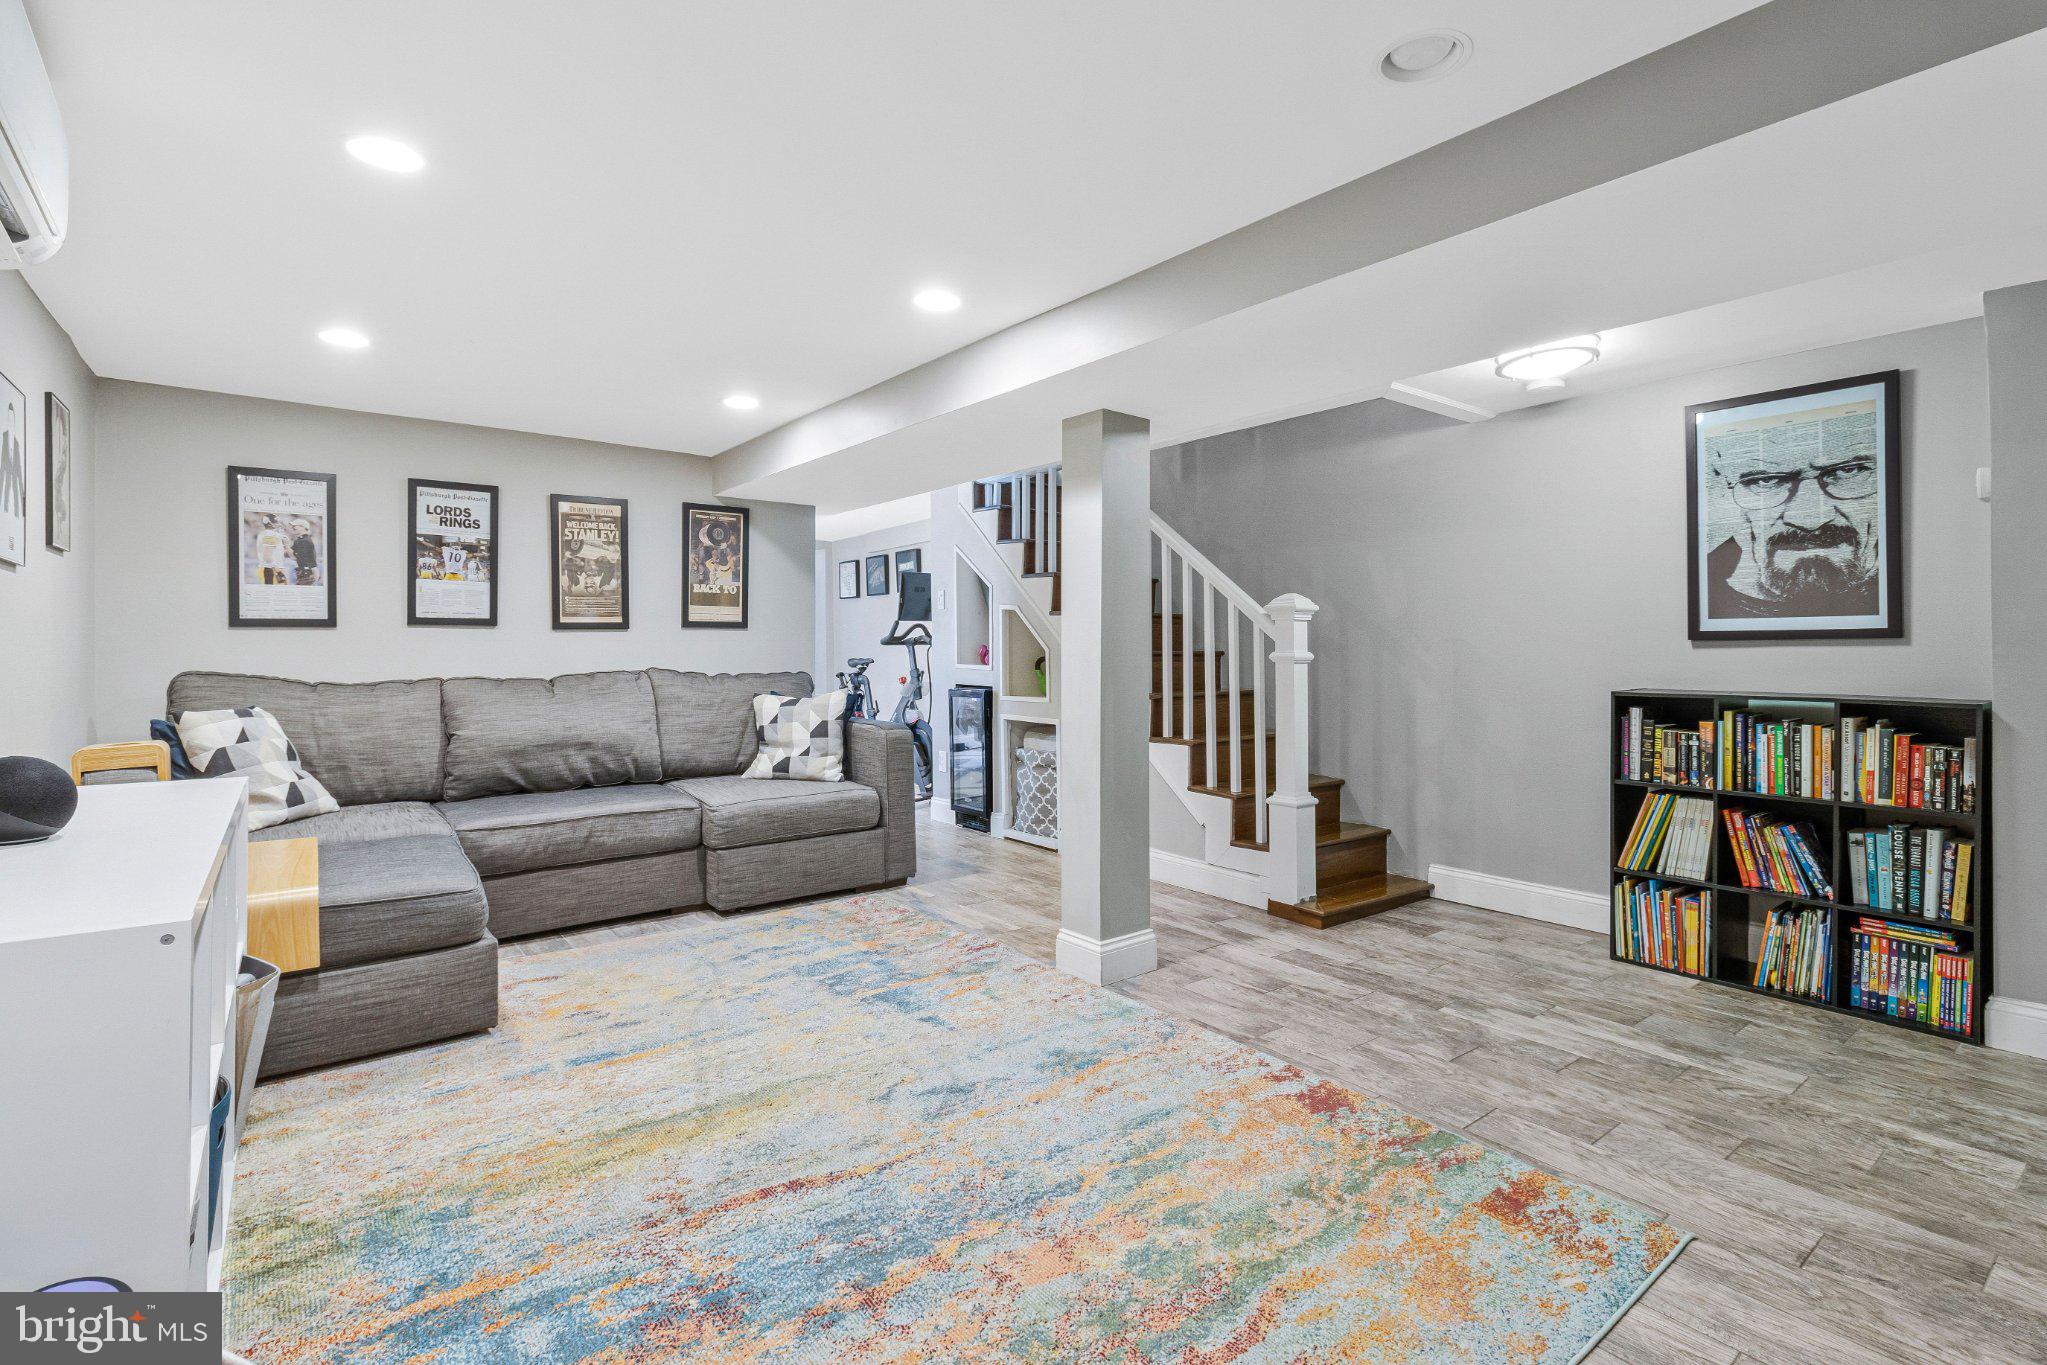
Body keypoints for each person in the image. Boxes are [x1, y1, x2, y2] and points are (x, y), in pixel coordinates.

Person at [1705, 434, 1881, 620]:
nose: (1810, 521)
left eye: (1848, 471)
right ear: (1720, 486)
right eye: (1766, 480)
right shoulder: (1697, 593)